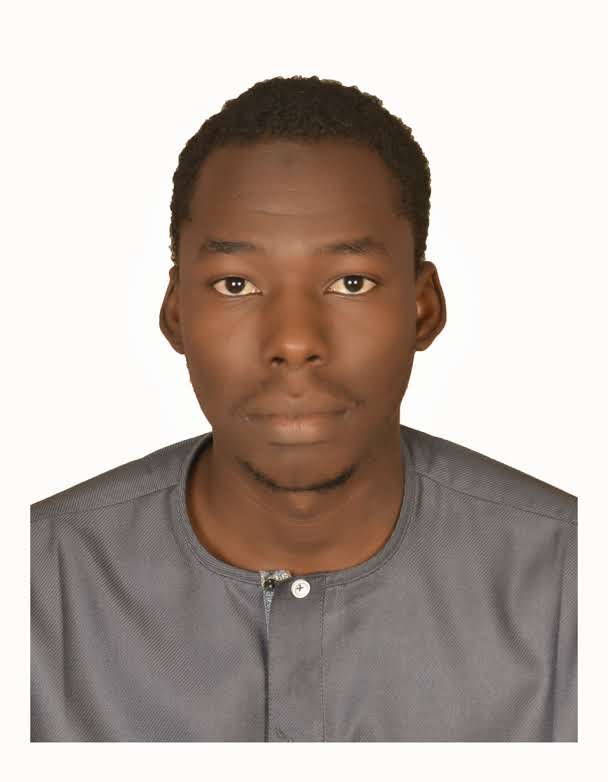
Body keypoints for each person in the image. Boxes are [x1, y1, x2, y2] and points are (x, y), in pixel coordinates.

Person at [30, 75, 577, 742]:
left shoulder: (571, 584)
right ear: (176, 314)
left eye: (351, 282)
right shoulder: (36, 587)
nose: (293, 342)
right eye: (236, 284)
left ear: (423, 309)